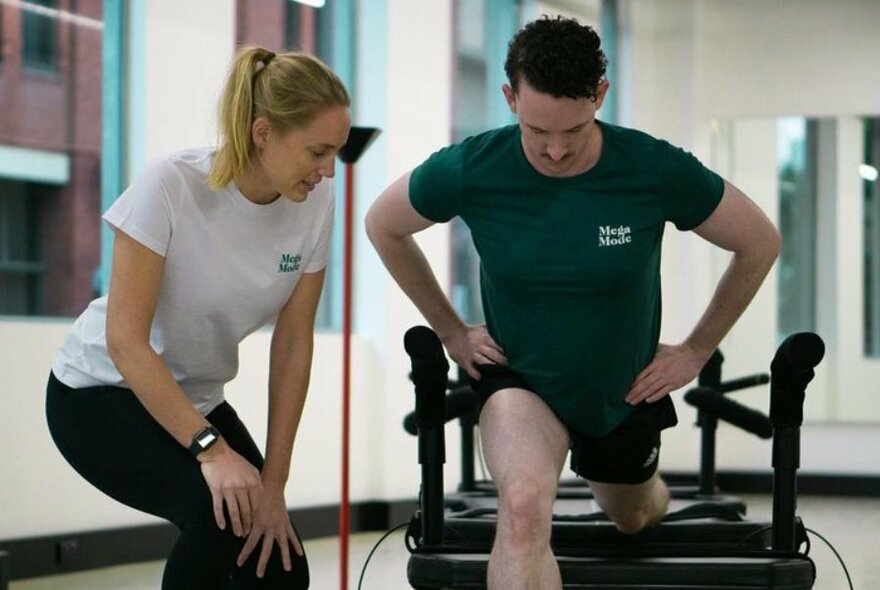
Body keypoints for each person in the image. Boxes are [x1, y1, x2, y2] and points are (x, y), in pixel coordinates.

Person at [365, 15, 781, 590]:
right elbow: (383, 225)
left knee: (632, 516)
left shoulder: (652, 168)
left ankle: (649, 490)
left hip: (622, 386)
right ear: (510, 98)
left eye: (574, 130)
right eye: (538, 130)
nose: (555, 151)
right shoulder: (473, 167)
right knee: (523, 506)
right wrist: (451, 331)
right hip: (520, 381)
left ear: (600, 96)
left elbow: (759, 242)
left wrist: (696, 349)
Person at [46, 46, 350, 589]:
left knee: (279, 566)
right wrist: (211, 450)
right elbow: (125, 341)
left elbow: (293, 344)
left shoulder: (316, 205)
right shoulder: (171, 184)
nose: (327, 171)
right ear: (263, 133)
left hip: (197, 399)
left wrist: (274, 481)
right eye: (317, 151)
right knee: (217, 521)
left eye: (336, 153)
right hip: (99, 395)